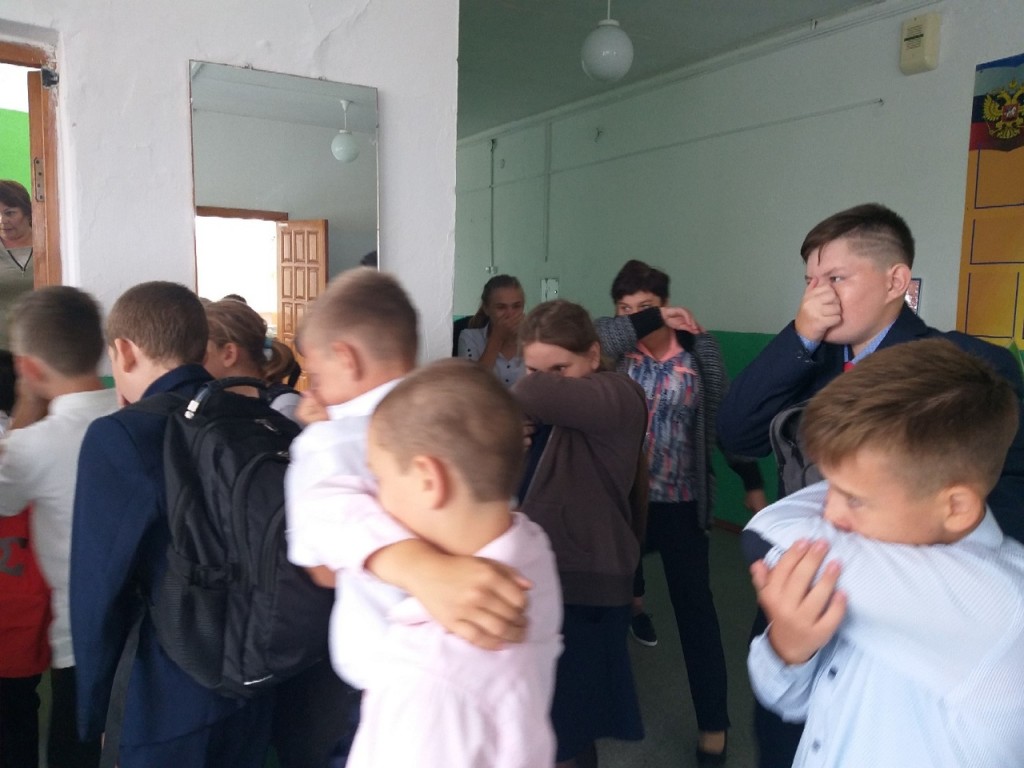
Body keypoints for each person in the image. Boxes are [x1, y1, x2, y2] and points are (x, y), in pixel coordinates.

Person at [716, 203, 1024, 767]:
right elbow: (736, 432)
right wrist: (800, 335)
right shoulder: (808, 360)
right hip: (804, 588)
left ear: (896, 281)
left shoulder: (961, 367)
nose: (819, 296)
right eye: (810, 281)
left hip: (907, 606)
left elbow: (998, 500)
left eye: (836, 278)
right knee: (783, 733)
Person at [285, 268, 534, 764]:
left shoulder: (325, 444)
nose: (314, 389)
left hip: (388, 674)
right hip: (486, 658)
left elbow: (323, 570)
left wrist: (314, 437)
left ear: (346, 357)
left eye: (316, 374)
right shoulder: (462, 411)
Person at [745, 338, 1024, 766]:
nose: (828, 513)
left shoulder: (999, 604)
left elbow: (766, 530)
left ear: (955, 507)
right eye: (829, 486)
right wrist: (788, 648)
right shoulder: (874, 553)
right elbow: (789, 701)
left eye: (854, 499)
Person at [70, 282, 274, 768]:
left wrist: (96, 710)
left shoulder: (121, 436)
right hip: (253, 683)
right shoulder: (255, 417)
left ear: (124, 351)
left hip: (161, 698)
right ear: (202, 349)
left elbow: (98, 592)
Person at [336, 359, 562, 767]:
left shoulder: (429, 680)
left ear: (428, 480)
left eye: (382, 479)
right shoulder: (532, 547)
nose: (377, 501)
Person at [595, 259, 766, 765]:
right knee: (603, 607)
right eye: (626, 308)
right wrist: (649, 317)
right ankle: (602, 700)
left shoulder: (699, 351)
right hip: (624, 506)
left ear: (667, 303)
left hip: (683, 506)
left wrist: (751, 482)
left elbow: (723, 421)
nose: (634, 316)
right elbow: (594, 334)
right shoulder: (615, 354)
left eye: (646, 305)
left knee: (697, 615)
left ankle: (714, 724)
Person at [512, 299, 647, 768]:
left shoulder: (620, 394)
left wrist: (514, 400)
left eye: (559, 368)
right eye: (534, 368)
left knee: (568, 730)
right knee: (548, 722)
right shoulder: (540, 414)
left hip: (586, 587)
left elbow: (531, 391)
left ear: (593, 355)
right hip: (539, 581)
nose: (544, 380)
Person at [0, 287, 118, 768]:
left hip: (79, 638)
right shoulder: (138, 416)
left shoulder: (30, 447)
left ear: (28, 369)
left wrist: (25, 406)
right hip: (147, 634)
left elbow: (5, 501)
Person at [203, 298, 301, 421]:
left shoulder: (284, 407)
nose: (193, 360)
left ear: (229, 354)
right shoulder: (214, 400)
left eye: (201, 353)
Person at [457, 274, 527, 388]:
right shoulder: (470, 337)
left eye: (516, 306)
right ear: (486, 309)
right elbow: (471, 385)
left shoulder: (536, 338)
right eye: (501, 307)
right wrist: (498, 337)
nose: (510, 314)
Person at [0, 180, 35, 350]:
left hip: (43, 346)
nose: (2, 220)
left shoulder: (50, 244)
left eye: (9, 213)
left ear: (28, 213)